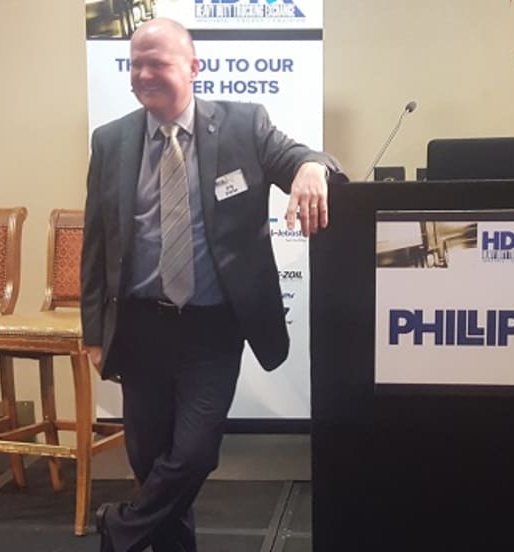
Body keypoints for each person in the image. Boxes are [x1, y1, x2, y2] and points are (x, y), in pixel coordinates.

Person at [80, 16, 346, 552]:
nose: (143, 74)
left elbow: (301, 159)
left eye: (157, 63)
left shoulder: (244, 126)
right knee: (150, 460)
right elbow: (96, 243)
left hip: (211, 330)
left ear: (193, 67)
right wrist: (93, 331)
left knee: (195, 453)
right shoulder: (111, 141)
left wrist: (313, 168)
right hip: (139, 326)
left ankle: (120, 527)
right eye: (135, 64)